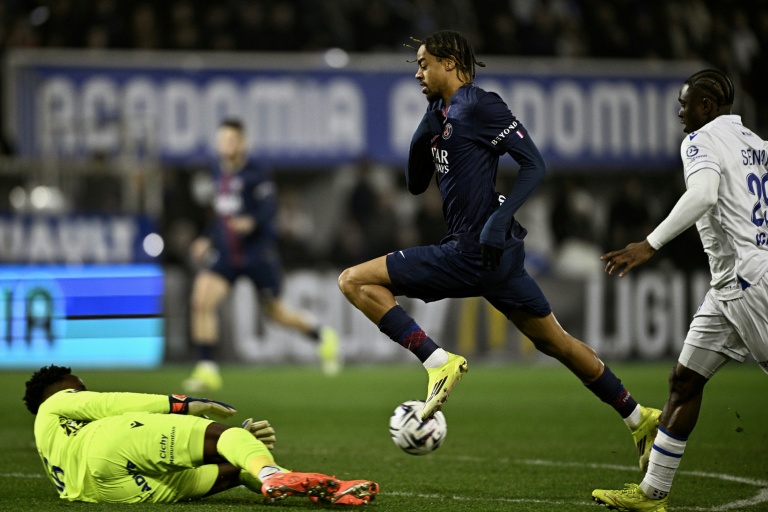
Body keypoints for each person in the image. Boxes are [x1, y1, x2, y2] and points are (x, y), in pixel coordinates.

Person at [337, 29, 659, 467]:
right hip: (496, 258)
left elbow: (534, 164)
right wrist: (424, 130)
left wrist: (498, 219)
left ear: (449, 62)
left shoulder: (479, 104)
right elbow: (415, 186)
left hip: (472, 250)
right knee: (559, 343)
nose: (417, 72)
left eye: (423, 63)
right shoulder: (445, 111)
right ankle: (639, 417)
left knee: (354, 281)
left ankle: (436, 360)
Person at [592, 69, 768, 512]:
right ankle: (652, 495)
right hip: (730, 285)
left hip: (750, 283)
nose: (679, 112)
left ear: (706, 106)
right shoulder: (756, 144)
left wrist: (648, 244)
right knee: (684, 382)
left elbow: (704, 195)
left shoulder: (700, 141)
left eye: (685, 103)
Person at [24, 365, 378, 505]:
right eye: (80, 387)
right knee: (219, 436)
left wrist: (241, 443)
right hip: (109, 444)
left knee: (237, 470)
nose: (84, 390)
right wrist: (186, 404)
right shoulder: (54, 404)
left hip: (107, 492)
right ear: (61, 389)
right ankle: (271, 473)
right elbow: (112, 404)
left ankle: (325, 492)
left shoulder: (48, 441)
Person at [185, 118, 341, 392]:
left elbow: (269, 208)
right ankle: (207, 369)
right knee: (201, 300)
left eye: (232, 140)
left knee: (276, 314)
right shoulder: (217, 173)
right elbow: (221, 218)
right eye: (223, 140)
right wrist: (207, 239)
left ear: (243, 142)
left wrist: (251, 221)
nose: (227, 145)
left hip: (258, 254)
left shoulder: (256, 172)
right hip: (227, 255)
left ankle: (322, 335)